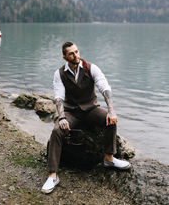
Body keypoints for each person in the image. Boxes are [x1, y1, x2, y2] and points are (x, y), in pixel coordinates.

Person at [41, 41, 130, 194]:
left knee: (110, 121)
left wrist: (111, 110)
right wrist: (62, 118)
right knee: (57, 131)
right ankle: (53, 175)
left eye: (77, 51)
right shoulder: (59, 73)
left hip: (91, 109)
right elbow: (59, 97)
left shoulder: (91, 68)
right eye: (71, 53)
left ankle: (109, 159)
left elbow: (104, 87)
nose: (76, 55)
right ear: (65, 57)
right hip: (71, 112)